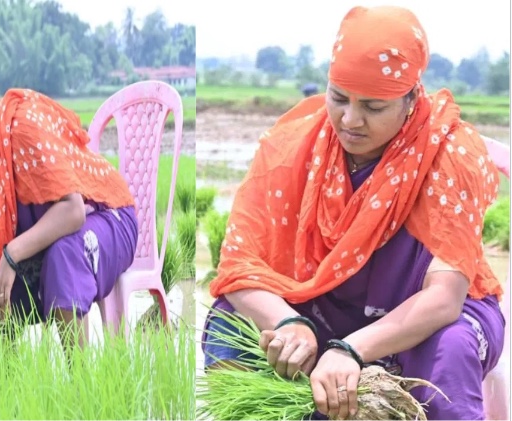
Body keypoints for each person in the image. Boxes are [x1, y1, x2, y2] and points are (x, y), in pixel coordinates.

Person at [201, 6, 504, 421]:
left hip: (419, 318)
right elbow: (238, 266)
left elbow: (444, 299)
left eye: (373, 107)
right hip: (322, 310)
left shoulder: (448, 153)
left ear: (411, 99)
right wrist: (289, 323)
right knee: (229, 319)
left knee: (450, 349)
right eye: (339, 98)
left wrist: (350, 349)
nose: (350, 120)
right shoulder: (292, 146)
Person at [0, 76, 138, 350]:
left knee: (63, 255)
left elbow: (74, 210)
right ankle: (9, 372)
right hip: (65, 235)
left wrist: (11, 255)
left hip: (109, 216)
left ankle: (80, 373)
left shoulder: (20, 129)